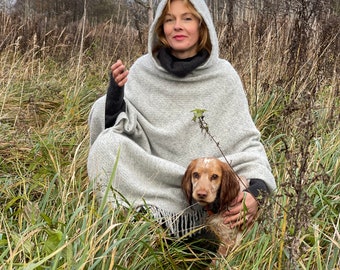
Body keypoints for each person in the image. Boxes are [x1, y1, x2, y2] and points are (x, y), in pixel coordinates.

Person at [87, 0, 276, 239]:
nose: (177, 26)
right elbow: (123, 128)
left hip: (208, 188)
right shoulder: (144, 69)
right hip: (155, 178)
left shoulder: (224, 76)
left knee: (234, 186)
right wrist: (115, 96)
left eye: (187, 18)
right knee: (106, 144)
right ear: (160, 26)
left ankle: (197, 230)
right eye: (169, 19)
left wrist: (256, 193)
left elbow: (247, 144)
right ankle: (144, 224)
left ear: (201, 24)